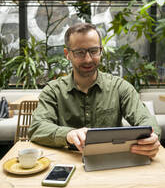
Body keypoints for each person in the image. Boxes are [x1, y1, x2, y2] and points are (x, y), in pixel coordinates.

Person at [28, 23, 161, 158]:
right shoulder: (53, 91)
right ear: (67, 54)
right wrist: (68, 134)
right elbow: (37, 127)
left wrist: (152, 137)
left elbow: (146, 120)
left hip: (111, 161)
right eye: (80, 52)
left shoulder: (120, 87)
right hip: (68, 161)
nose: (88, 59)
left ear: (101, 50)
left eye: (93, 51)